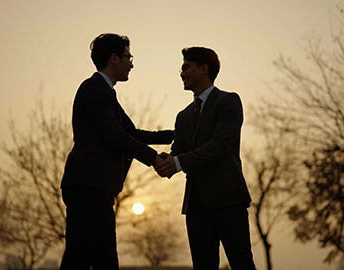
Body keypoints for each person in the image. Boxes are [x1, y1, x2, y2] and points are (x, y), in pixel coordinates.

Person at [60, 33, 174, 270]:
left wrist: (176, 135)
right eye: (128, 57)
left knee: (105, 260)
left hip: (99, 189)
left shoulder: (105, 92)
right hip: (87, 187)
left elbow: (131, 134)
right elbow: (114, 135)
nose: (131, 63)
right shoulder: (94, 89)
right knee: (79, 258)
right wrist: (153, 159)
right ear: (114, 59)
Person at [155, 47, 256, 269]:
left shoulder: (229, 101)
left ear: (204, 68)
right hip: (196, 205)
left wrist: (177, 163)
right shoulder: (182, 117)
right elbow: (178, 152)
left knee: (242, 264)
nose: (181, 73)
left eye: (186, 67)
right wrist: (165, 161)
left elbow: (221, 144)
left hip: (229, 199)